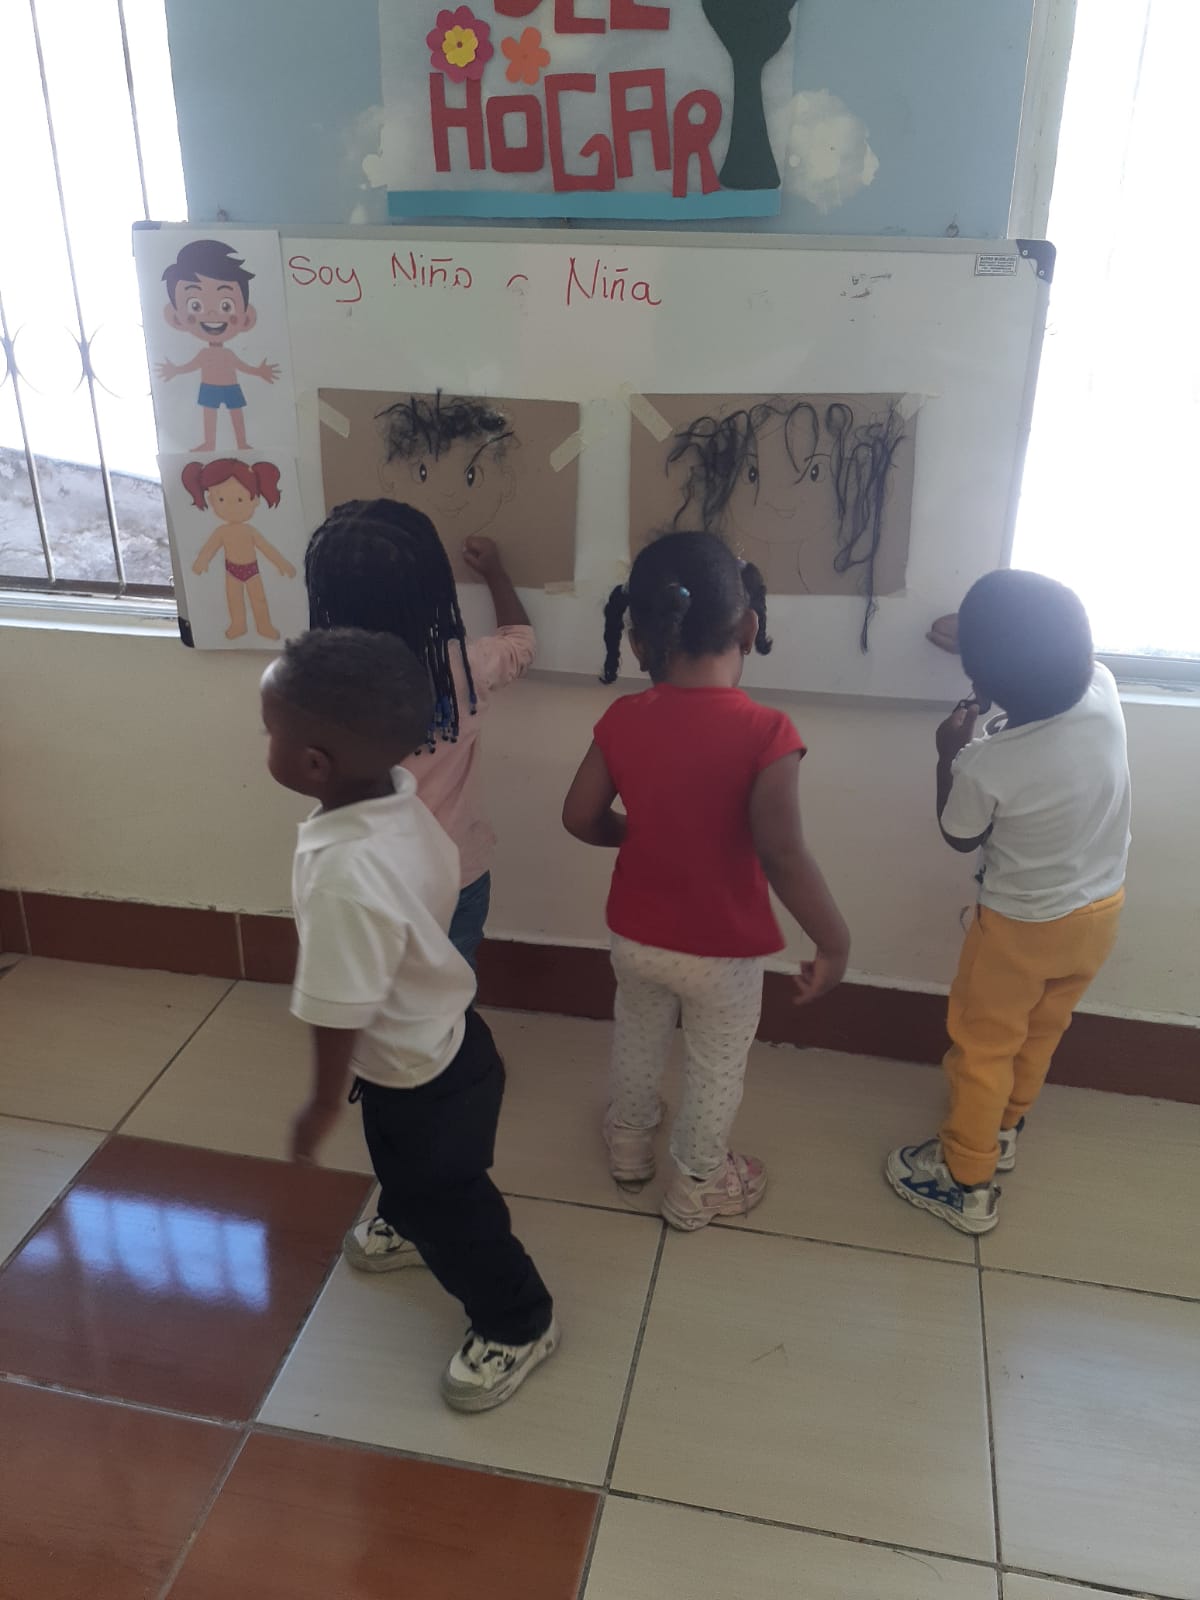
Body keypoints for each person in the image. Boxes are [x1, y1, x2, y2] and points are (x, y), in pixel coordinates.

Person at [262, 627, 557, 1411]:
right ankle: (404, 1217)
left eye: (269, 731)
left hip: (421, 1076)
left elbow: (338, 1009)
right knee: (407, 1165)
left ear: (314, 763)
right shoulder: (401, 797)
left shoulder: (343, 873)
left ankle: (518, 1319)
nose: (265, 743)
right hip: (444, 1042)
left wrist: (320, 1103)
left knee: (453, 1205)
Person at [562, 531, 851, 1231]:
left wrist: (636, 834)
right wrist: (833, 941)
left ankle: (629, 1144)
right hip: (721, 953)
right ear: (748, 628)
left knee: (638, 1034)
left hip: (636, 938)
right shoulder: (766, 731)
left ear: (637, 642)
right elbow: (783, 853)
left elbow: (579, 816)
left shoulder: (623, 718)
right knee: (716, 1063)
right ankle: (698, 1183)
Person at [887, 570, 1131, 1234]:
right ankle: (1006, 1127)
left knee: (983, 1046)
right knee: (1042, 1029)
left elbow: (959, 835)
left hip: (1021, 929)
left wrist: (948, 755)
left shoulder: (988, 761)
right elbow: (1045, 645)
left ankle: (966, 1179)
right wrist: (983, 645)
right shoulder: (1103, 688)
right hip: (1099, 913)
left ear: (986, 681)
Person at [305, 498, 533, 970]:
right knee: (447, 985)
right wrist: (496, 573)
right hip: (455, 872)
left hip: (361, 873)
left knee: (368, 979)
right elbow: (520, 643)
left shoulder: (316, 682)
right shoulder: (463, 667)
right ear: (434, 587)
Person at [156, 238, 280, 452]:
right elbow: (192, 366)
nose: (212, 313)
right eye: (195, 305)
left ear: (246, 318)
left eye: (226, 305)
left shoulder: (228, 354)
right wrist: (175, 370)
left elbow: (240, 366)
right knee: (209, 414)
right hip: (209, 386)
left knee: (236, 412)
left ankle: (242, 443)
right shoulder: (205, 354)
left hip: (230, 386)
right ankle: (209, 443)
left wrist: (258, 371)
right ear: (176, 318)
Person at [182, 459, 295, 641]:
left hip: (252, 571)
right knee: (235, 601)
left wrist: (282, 564)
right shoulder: (221, 532)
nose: (231, 506)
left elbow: (266, 548)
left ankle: (264, 626)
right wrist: (201, 562)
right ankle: (238, 625)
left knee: (259, 599)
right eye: (221, 499)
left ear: (254, 500)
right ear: (211, 500)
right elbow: (209, 548)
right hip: (232, 571)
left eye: (240, 499)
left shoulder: (250, 531)